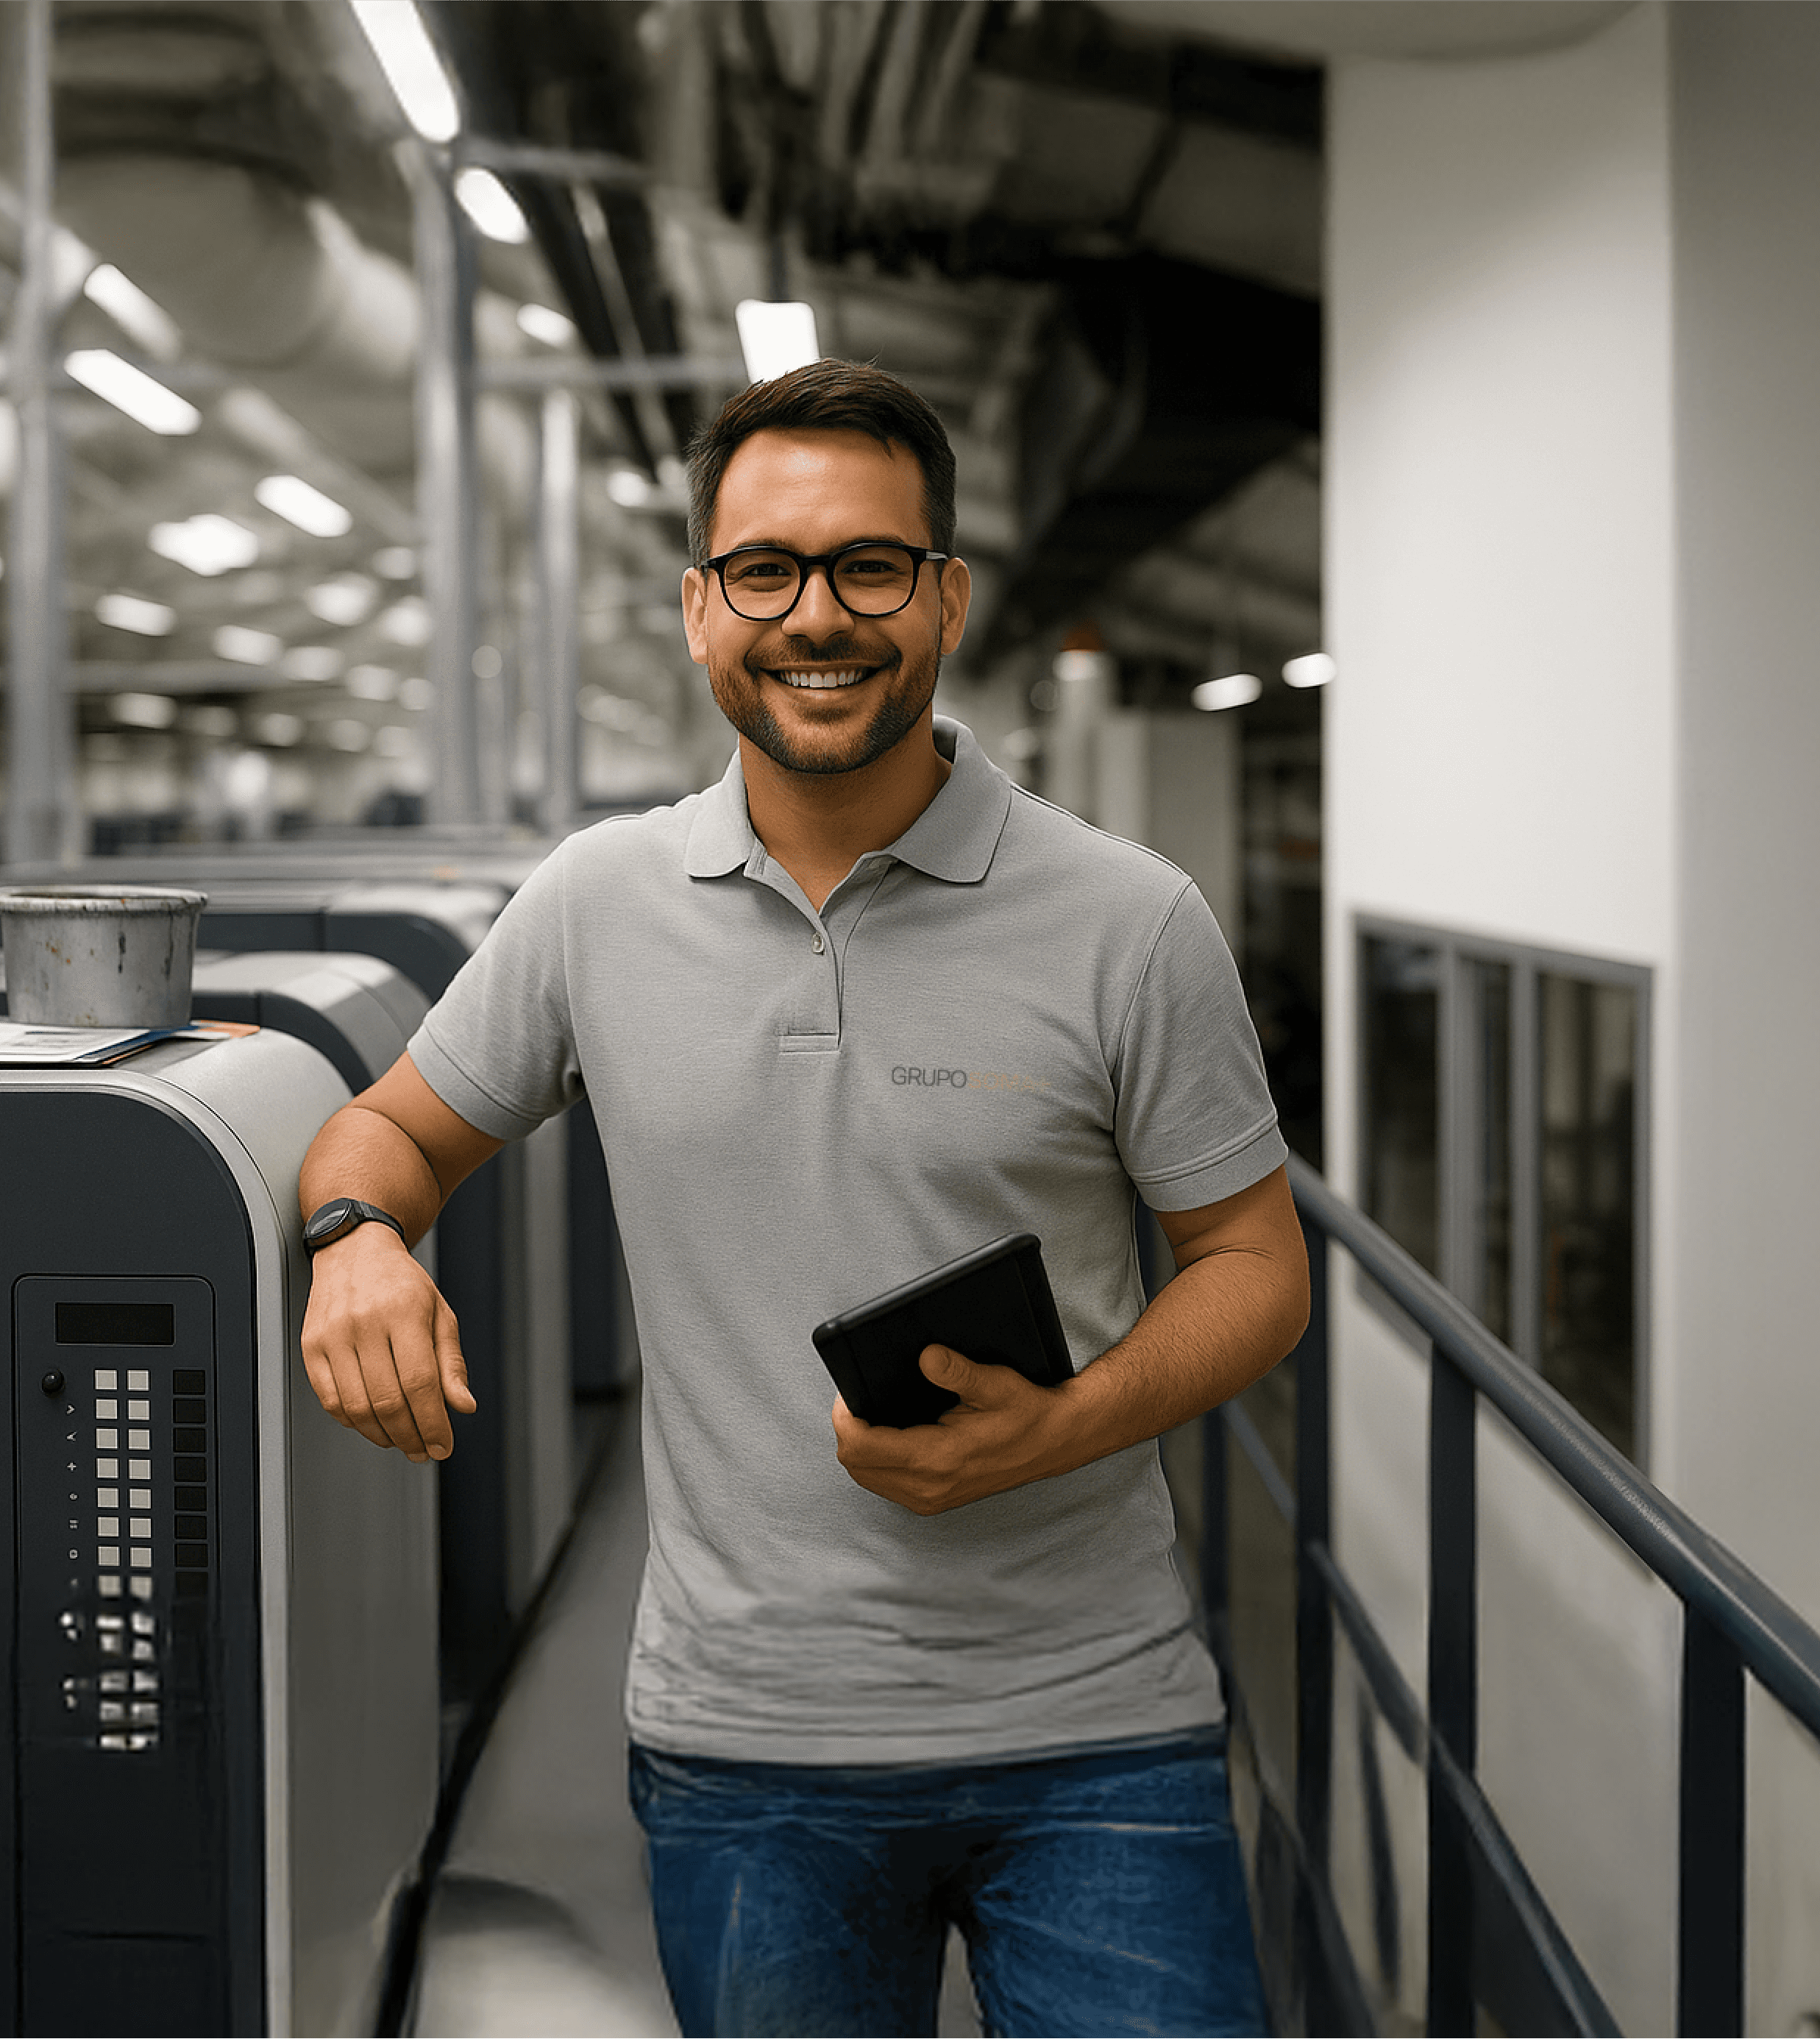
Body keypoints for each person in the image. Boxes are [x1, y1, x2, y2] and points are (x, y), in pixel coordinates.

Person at [294, 358, 1304, 2038]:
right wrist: (357, 1242)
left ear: (945, 598)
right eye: (763, 568)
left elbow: (1252, 1261)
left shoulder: (1130, 919)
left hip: (1096, 1728)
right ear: (700, 608)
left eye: (867, 568)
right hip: (745, 1745)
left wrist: (1054, 1428)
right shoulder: (596, 905)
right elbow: (383, 1131)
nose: (813, 615)